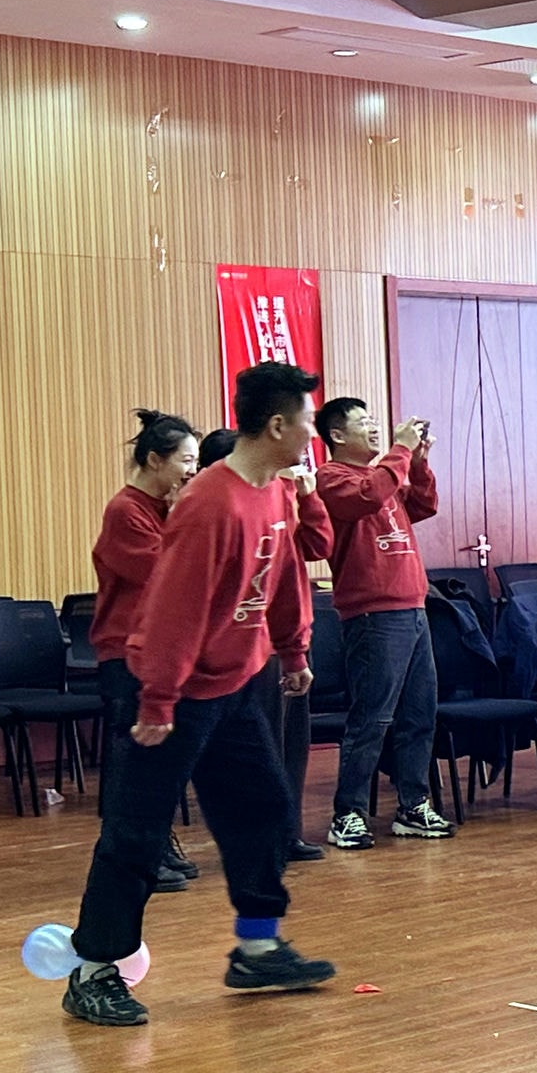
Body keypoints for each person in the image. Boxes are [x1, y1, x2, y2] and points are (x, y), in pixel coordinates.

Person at [55, 362, 337, 1027]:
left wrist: (294, 650)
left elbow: (287, 577)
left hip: (235, 684)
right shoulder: (210, 504)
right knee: (138, 830)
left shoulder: (276, 491)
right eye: (307, 422)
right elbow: (172, 609)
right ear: (277, 425)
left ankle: (258, 947)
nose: (313, 435)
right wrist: (158, 699)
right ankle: (93, 971)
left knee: (265, 809)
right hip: (177, 694)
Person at [314, 398, 449, 850]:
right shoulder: (332, 478)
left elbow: (423, 505)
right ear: (336, 435)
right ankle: (347, 814)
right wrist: (401, 450)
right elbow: (368, 497)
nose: (374, 427)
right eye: (364, 422)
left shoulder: (383, 476)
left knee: (419, 714)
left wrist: (420, 462)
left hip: (413, 607)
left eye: (374, 420)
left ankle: (413, 805)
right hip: (373, 613)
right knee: (372, 717)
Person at [202, 426, 328, 863]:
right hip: (243, 647)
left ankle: (287, 832)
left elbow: (318, 545)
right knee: (257, 750)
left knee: (291, 744)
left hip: (284, 643)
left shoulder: (277, 497)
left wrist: (308, 497)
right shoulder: (215, 508)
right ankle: (257, 839)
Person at [92, 409, 203, 893]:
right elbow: (167, 575)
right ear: (155, 460)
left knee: (160, 757)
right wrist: (180, 516)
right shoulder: (126, 510)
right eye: (186, 461)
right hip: (125, 650)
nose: (193, 472)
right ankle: (133, 854)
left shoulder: (163, 507)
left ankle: (155, 841)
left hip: (159, 649)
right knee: (131, 759)